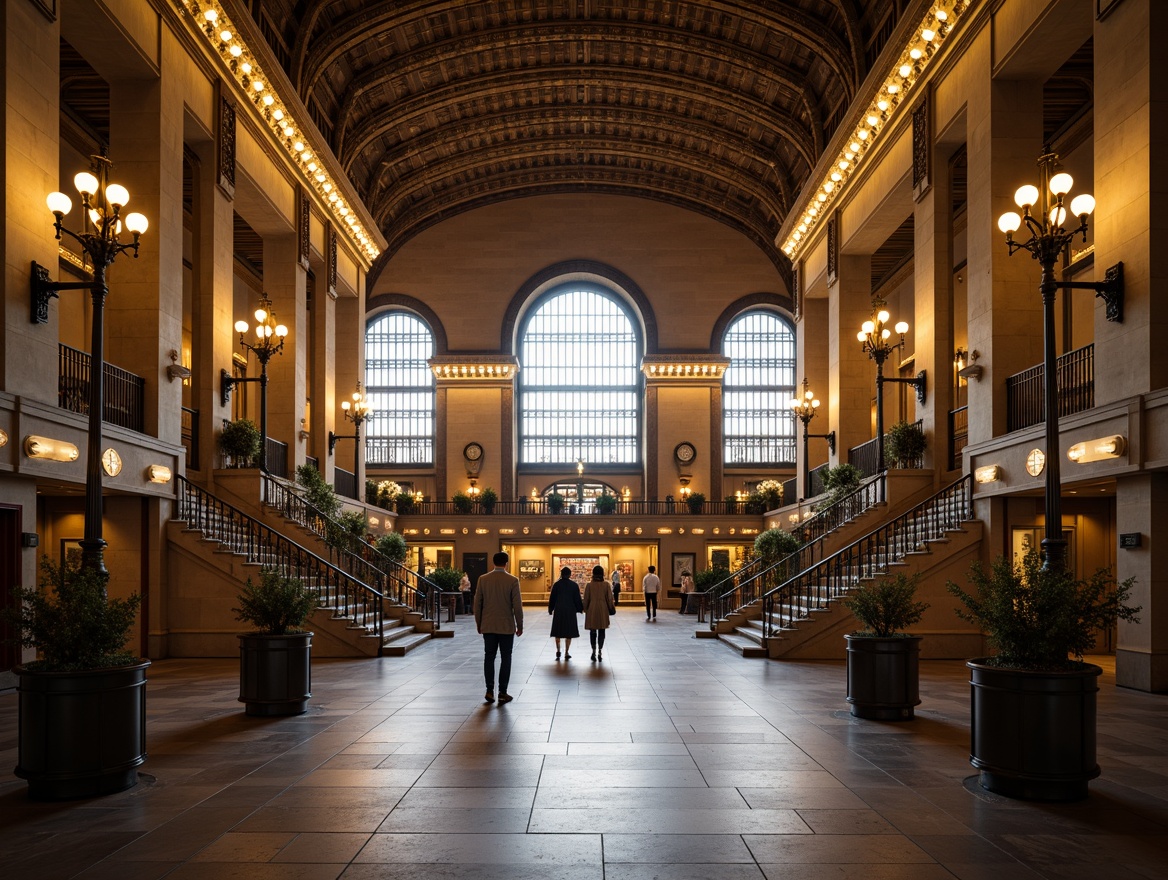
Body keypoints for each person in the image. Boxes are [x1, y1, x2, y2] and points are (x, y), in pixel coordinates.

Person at [473, 551, 523, 704]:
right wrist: (519, 625)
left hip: (488, 625)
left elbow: (477, 603)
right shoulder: (512, 580)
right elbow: (517, 606)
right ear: (506, 563)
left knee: (489, 657)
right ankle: (502, 692)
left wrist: (479, 622)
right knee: (506, 658)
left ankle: (489, 690)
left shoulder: (483, 579)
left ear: (493, 563)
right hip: (506, 626)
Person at [548, 566, 583, 660]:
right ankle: (567, 652)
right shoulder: (574, 585)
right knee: (569, 632)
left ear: (561, 574)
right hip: (570, 610)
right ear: (570, 574)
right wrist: (580, 608)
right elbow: (577, 599)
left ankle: (558, 650)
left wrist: (550, 609)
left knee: (558, 631)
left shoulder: (556, 585)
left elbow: (552, 598)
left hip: (559, 609)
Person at [584, 564, 616, 661]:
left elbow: (586, 599)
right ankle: (600, 651)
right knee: (602, 630)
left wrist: (585, 609)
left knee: (592, 631)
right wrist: (611, 608)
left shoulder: (589, 585)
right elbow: (610, 599)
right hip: (603, 609)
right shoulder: (606, 585)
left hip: (592, 609)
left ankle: (593, 651)